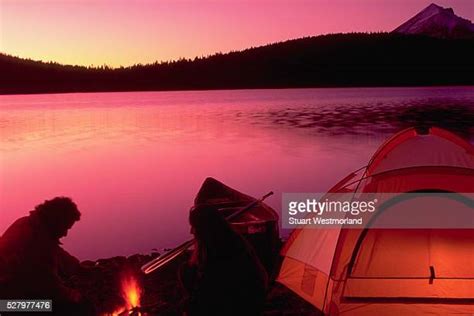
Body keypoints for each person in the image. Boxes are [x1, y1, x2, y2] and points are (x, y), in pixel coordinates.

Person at [0, 197, 92, 315]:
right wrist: (76, 297)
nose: (65, 233)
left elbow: (56, 252)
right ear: (57, 220)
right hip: (12, 305)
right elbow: (47, 284)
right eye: (66, 227)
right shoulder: (34, 239)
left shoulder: (32, 225)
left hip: (13, 298)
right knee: (76, 308)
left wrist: (78, 268)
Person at [179, 204, 269, 316]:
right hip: (247, 304)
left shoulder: (221, 254)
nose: (191, 231)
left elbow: (212, 290)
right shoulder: (235, 242)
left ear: (204, 229)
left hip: (234, 306)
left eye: (195, 226)